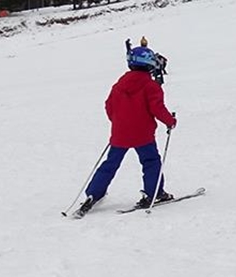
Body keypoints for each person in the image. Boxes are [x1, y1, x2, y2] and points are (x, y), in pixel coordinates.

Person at [76, 45, 178, 216]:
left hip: (120, 134)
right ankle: (154, 193)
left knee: (110, 164)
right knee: (151, 162)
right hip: (143, 135)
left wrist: (118, 122)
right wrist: (170, 121)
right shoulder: (151, 86)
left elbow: (109, 106)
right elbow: (157, 108)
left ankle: (93, 194)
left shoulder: (119, 85)